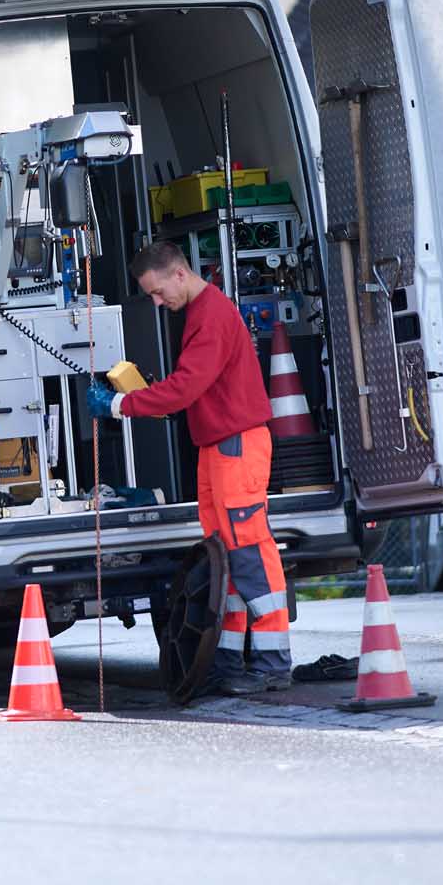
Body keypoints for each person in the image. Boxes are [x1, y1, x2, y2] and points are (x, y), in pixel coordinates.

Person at [88, 242, 291, 694]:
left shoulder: (210, 317)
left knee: (247, 550)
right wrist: (146, 398)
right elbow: (191, 388)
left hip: (235, 446)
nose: (158, 303)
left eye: (158, 292)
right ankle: (233, 662)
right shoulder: (203, 314)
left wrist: (123, 403)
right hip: (220, 445)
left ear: (179, 274)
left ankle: (273, 661)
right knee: (226, 555)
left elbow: (186, 388)